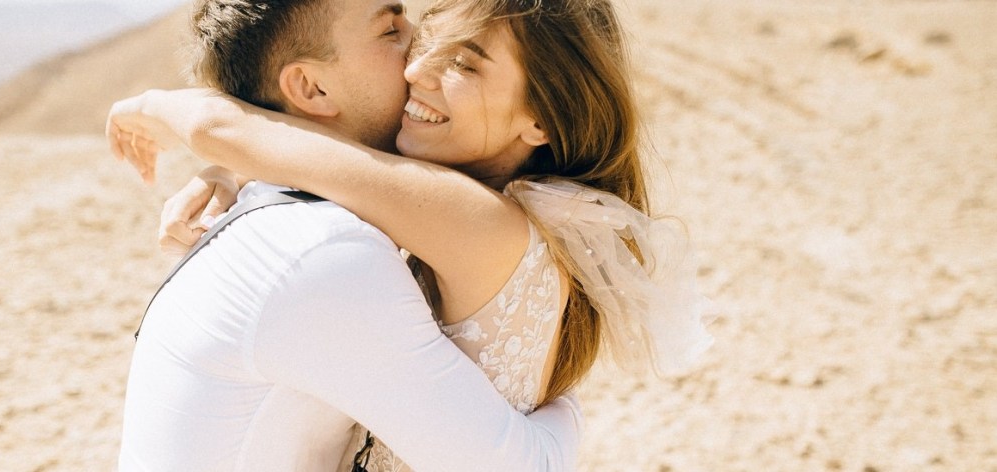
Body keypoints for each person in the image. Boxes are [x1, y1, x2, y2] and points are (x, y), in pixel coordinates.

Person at [109, 0, 715, 469]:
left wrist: (153, 106)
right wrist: (237, 171)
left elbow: (221, 126)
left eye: (464, 62)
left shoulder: (469, 217)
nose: (416, 68)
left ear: (541, 119)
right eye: (419, 40)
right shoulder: (473, 206)